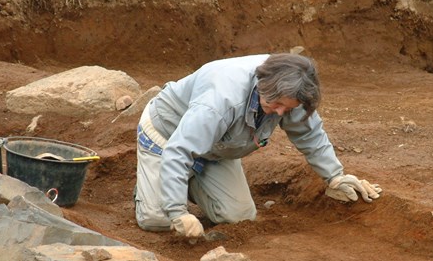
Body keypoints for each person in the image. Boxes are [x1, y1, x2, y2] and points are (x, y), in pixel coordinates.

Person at [135, 53, 382, 237]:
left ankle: (185, 182)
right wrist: (178, 211)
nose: (282, 112)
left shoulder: (290, 89)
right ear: (264, 85)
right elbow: (179, 150)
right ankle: (155, 188)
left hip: (218, 149)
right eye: (277, 105)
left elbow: (310, 134)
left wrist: (335, 176)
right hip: (167, 136)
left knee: (239, 217)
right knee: (158, 219)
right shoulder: (220, 100)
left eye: (288, 108)